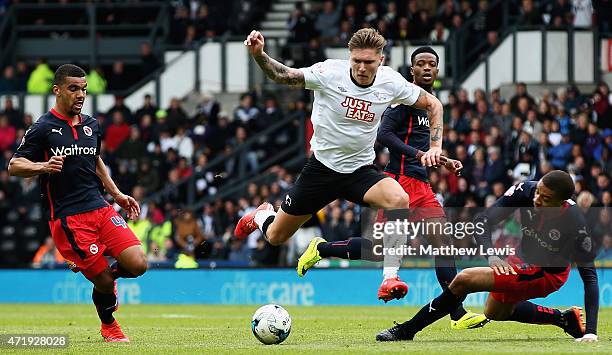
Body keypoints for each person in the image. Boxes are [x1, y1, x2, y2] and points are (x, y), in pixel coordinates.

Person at [298, 47, 486, 329]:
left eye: (431, 64)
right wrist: (418, 154)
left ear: (437, 70)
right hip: (397, 182)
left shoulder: (430, 105)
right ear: (412, 71)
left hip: (421, 185)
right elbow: (383, 134)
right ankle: (322, 249)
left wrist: (441, 159)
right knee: (377, 250)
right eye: (419, 64)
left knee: (443, 246)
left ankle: (457, 314)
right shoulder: (402, 100)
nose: (425, 68)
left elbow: (424, 147)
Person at [235, 29, 445, 254]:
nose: (362, 68)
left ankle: (390, 278)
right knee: (276, 236)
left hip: (359, 171)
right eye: (357, 61)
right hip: (321, 169)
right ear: (349, 57)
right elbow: (283, 75)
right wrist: (259, 55)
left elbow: (434, 105)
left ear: (380, 60)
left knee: (399, 199)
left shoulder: (390, 81)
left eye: (369, 62)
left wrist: (435, 147)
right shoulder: (328, 73)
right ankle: (262, 215)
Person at [8, 64, 147, 343]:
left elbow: (95, 161)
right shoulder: (43, 128)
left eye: (83, 89)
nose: (81, 94)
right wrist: (43, 166)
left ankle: (101, 273)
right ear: (57, 90)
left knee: (138, 263)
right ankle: (109, 326)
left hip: (100, 207)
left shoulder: (91, 125)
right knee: (104, 282)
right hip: (68, 218)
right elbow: (14, 164)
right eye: (73, 88)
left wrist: (117, 194)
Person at [376, 170, 599, 343]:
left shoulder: (575, 224)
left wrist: (591, 333)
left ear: (560, 202)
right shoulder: (526, 191)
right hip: (519, 259)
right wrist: (491, 255)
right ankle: (564, 319)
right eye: (539, 190)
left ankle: (407, 330)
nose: (537, 198)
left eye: (545, 197)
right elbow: (482, 220)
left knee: (465, 279)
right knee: (495, 311)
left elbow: (590, 277)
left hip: (545, 273)